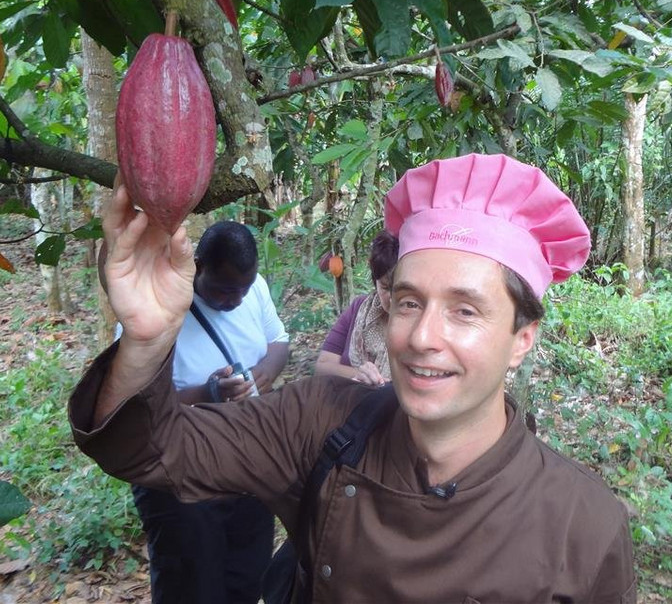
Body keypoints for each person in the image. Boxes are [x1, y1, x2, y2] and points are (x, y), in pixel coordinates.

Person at [70, 155, 636, 603]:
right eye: (410, 302)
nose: (421, 337)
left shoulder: (583, 525)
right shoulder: (320, 423)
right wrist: (146, 340)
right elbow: (149, 451)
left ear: (522, 339)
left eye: (465, 311)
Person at [128, 220, 290, 604]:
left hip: (249, 463)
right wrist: (208, 392)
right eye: (223, 288)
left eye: (243, 289)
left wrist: (264, 373)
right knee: (190, 582)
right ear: (198, 266)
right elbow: (135, 402)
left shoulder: (255, 290)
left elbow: (278, 342)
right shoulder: (158, 305)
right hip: (180, 471)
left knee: (246, 576)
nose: (234, 299)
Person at [314, 230, 398, 385]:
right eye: (385, 287)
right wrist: (360, 375)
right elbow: (322, 366)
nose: (392, 298)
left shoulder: (423, 326)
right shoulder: (359, 309)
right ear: (375, 282)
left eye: (400, 289)